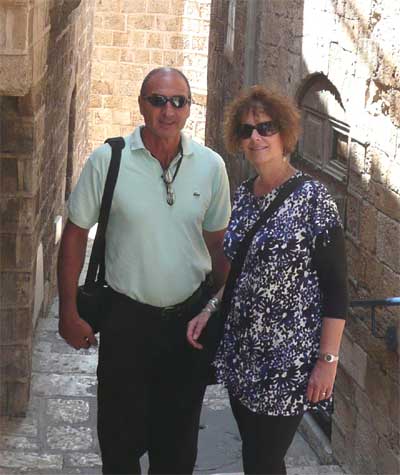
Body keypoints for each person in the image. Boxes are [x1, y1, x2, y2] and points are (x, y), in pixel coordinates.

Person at [57, 67, 231, 474]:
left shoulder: (211, 167)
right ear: (141, 105)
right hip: (126, 323)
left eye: (178, 101)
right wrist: (68, 310)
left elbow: (220, 244)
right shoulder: (108, 160)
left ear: (189, 108)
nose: (168, 111)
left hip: (187, 326)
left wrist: (219, 310)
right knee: (119, 446)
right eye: (158, 100)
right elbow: (75, 234)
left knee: (178, 448)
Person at [187, 85, 348, 475]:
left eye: (265, 127)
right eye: (246, 130)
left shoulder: (314, 199)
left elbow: (335, 289)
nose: (256, 137)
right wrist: (210, 309)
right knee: (256, 456)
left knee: (263, 458)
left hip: (287, 360)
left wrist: (327, 361)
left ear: (285, 133)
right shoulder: (242, 195)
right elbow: (240, 273)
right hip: (242, 354)